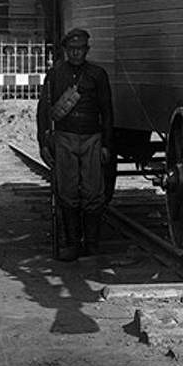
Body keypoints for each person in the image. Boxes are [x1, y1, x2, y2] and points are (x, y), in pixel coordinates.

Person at [37, 28, 113, 260]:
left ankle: (91, 244)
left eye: (80, 49)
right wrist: (43, 141)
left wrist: (106, 144)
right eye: (72, 49)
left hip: (92, 138)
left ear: (87, 50)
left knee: (93, 192)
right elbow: (43, 111)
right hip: (65, 138)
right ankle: (71, 243)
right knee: (67, 191)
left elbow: (107, 112)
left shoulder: (97, 75)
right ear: (65, 50)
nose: (76, 54)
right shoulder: (55, 75)